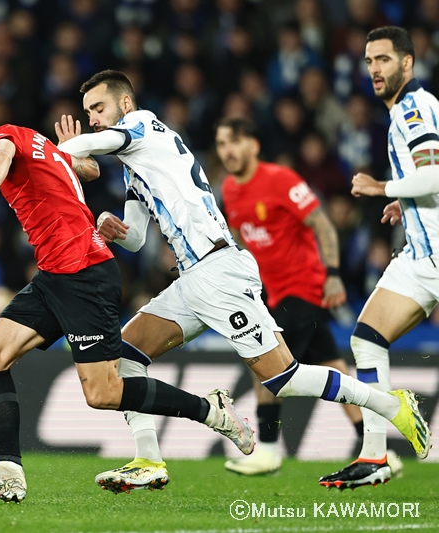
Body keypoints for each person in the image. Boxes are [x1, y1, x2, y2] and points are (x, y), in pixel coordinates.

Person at [55, 69, 430, 494]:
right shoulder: (133, 167)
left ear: (124, 104)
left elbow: (95, 143)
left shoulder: (141, 125)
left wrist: (60, 153)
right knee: (125, 355)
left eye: (99, 108)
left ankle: (390, 404)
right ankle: (149, 460)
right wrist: (110, 225)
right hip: (191, 279)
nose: (93, 119)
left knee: (282, 380)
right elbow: (138, 239)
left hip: (219, 273)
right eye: (87, 113)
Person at [0, 97, 257, 503]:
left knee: (103, 392)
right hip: (56, 275)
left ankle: (211, 410)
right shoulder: (34, 141)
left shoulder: (4, 139)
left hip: (84, 273)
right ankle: (8, 472)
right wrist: (77, 162)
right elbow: (81, 169)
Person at [216, 117, 374, 476]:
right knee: (335, 367)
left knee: (264, 362)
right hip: (273, 295)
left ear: (253, 146)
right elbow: (239, 239)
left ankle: (268, 450)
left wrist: (332, 274)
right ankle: (376, 447)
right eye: (222, 143)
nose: (228, 150)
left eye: (235, 142)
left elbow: (321, 222)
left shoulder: (281, 180)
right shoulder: (230, 189)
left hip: (303, 288)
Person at [320, 26, 439, 490]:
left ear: (407, 64)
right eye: (369, 60)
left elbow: (433, 176)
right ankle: (375, 455)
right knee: (366, 340)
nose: (374, 68)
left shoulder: (413, 107)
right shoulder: (407, 112)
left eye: (384, 60)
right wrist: (404, 203)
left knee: (365, 342)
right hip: (421, 258)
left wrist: (381, 188)